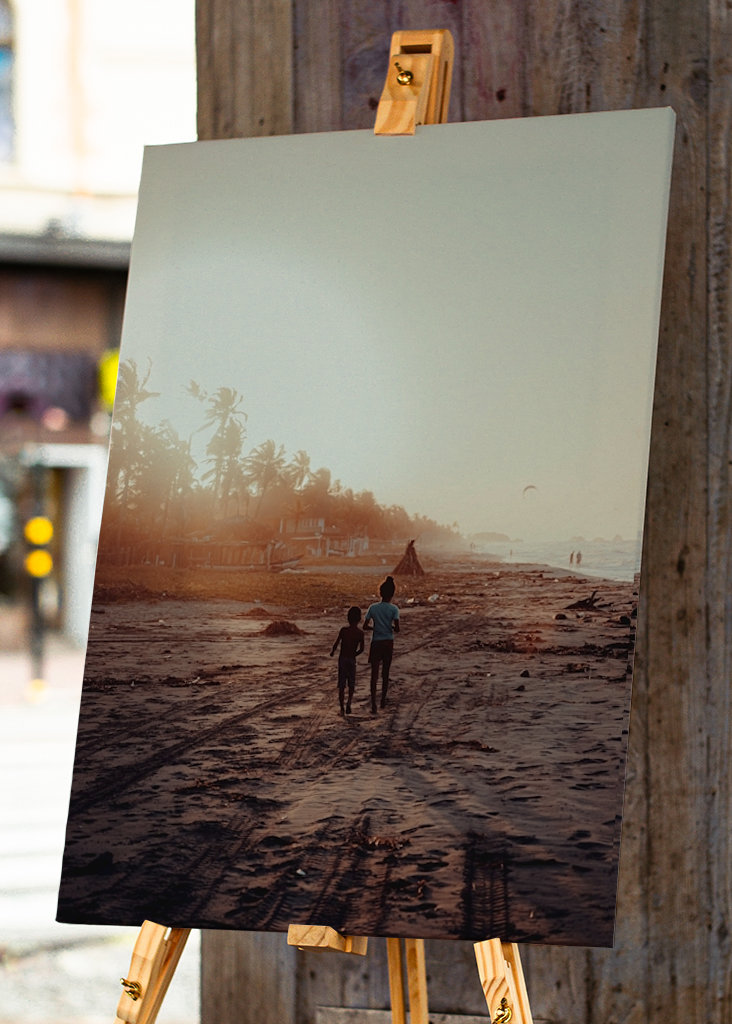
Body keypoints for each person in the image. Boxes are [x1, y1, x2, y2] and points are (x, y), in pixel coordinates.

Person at [363, 575, 400, 713]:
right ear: (392, 594)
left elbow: (365, 626)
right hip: (388, 642)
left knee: (374, 674)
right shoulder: (394, 609)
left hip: (376, 642)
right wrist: (389, 627)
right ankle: (383, 700)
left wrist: (375, 627)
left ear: (380, 593)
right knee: (385, 673)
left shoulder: (373, 608)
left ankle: (373, 703)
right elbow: (397, 629)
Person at [330, 606, 364, 715]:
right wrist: (355, 654)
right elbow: (362, 649)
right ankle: (349, 703)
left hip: (343, 659)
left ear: (348, 618)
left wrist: (332, 652)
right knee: (351, 683)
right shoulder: (360, 633)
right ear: (359, 619)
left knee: (341, 684)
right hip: (351, 659)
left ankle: (341, 708)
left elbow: (337, 643)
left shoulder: (344, 630)